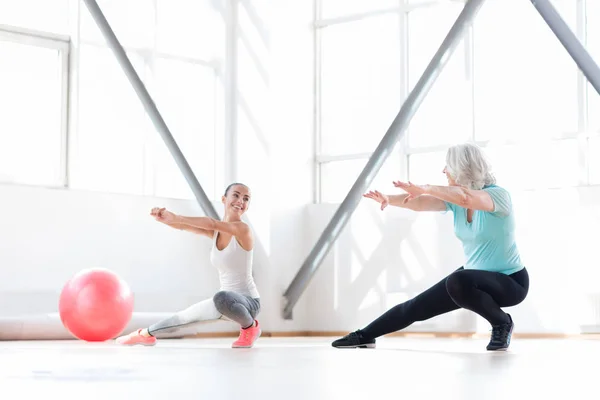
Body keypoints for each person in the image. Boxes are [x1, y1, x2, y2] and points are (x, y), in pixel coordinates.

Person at [332, 143, 529, 351]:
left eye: (447, 166)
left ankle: (502, 323)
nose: (444, 171)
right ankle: (365, 334)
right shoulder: (456, 203)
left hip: (510, 282)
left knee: (458, 280)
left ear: (461, 168)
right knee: (416, 306)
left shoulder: (498, 196)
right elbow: (420, 203)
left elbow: (467, 197)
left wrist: (426, 187)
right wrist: (389, 199)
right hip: (472, 279)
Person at [116, 183, 262, 348]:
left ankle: (250, 328)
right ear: (224, 199)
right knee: (183, 317)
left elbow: (212, 223)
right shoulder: (216, 234)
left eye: (246, 199)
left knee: (221, 297)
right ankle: (144, 335)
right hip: (225, 302)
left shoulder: (243, 229)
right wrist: (165, 219)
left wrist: (177, 217)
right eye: (235, 195)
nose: (240, 201)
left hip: (249, 303)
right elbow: (185, 226)